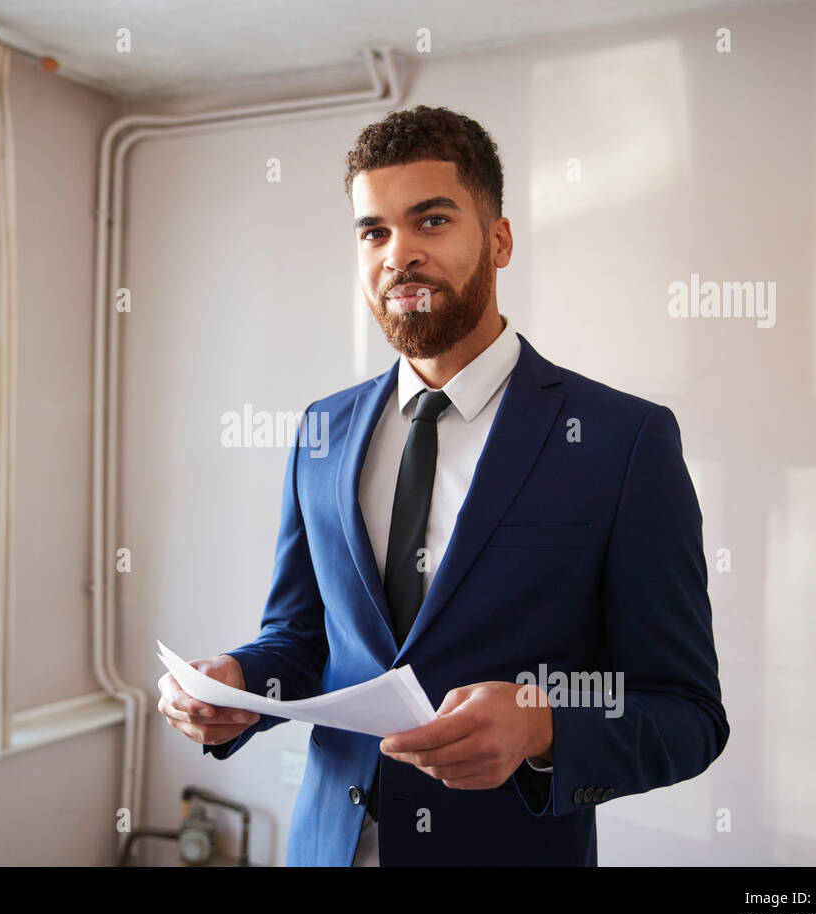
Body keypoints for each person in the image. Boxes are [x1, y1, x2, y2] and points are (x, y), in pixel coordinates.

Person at [157, 105, 729, 866]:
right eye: (374, 231)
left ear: (498, 240)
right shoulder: (321, 430)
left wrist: (542, 725)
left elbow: (686, 714)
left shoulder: (624, 441)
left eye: (430, 220)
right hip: (326, 846)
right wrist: (236, 682)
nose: (399, 255)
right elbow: (303, 639)